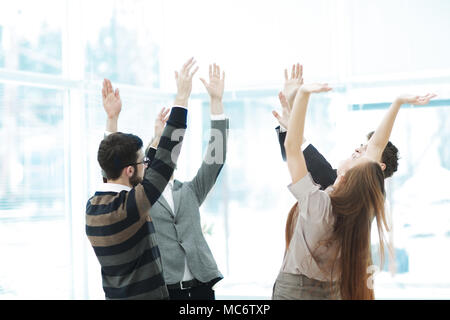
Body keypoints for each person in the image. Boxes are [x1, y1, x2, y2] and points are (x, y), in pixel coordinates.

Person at [272, 78, 436, 300]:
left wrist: (302, 97)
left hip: (296, 289)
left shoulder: (319, 204)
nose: (358, 150)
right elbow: (376, 145)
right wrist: (397, 102)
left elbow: (293, 149)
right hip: (331, 290)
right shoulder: (361, 204)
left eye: (363, 152)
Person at [106, 63, 228, 300]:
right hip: (164, 291)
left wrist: (216, 103)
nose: (162, 156)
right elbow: (113, 172)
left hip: (202, 289)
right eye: (155, 153)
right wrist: (112, 122)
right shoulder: (140, 198)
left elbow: (217, 156)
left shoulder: (190, 191)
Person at [85, 57, 197, 300]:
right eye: (142, 161)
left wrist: (112, 119)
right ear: (129, 171)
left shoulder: (93, 207)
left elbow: (111, 164)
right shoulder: (130, 207)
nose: (146, 164)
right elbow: (166, 159)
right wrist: (182, 99)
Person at [272, 65, 399, 252]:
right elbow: (295, 157)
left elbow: (298, 154)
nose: (358, 149)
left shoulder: (365, 197)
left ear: (378, 165)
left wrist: (298, 106)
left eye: (367, 149)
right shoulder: (334, 176)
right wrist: (292, 116)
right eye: (362, 145)